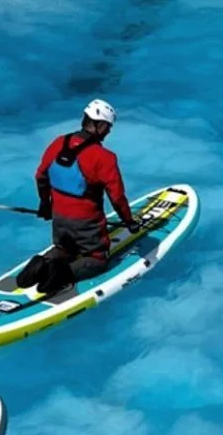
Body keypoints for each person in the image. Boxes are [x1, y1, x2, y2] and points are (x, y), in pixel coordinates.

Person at [19, 99, 140, 297]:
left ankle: (44, 263)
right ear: (99, 125)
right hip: (87, 224)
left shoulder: (58, 142)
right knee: (98, 259)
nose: (108, 132)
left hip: (59, 218)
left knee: (65, 247)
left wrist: (45, 204)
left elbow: (40, 176)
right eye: (108, 127)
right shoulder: (104, 157)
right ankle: (59, 275)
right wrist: (129, 222)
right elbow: (117, 197)